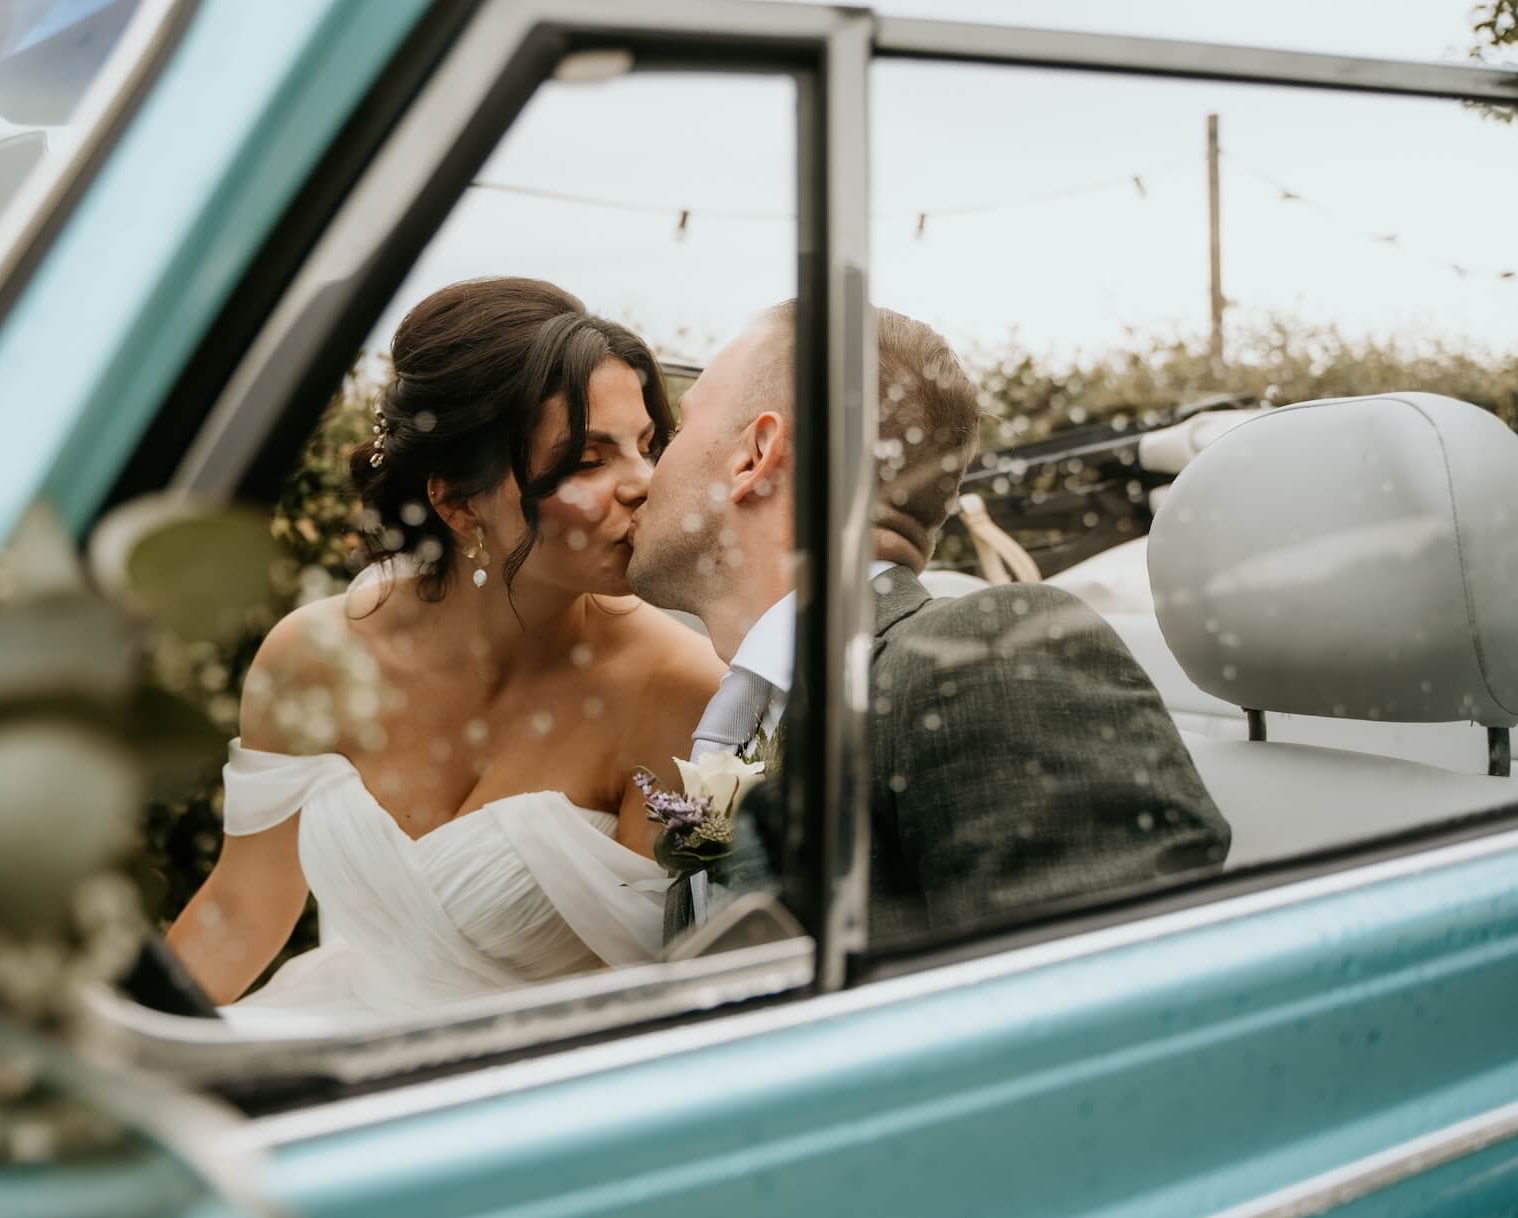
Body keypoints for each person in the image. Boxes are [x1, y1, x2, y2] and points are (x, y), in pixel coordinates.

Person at [165, 278, 723, 1024]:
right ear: (457, 503)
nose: (645, 485)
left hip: (540, 1075)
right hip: (312, 1032)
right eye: (589, 460)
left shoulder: (686, 696)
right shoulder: (312, 656)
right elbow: (242, 907)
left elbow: (643, 999)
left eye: (648, 447)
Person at [627, 301, 1231, 942]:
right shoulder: (751, 716)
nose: (644, 478)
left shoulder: (989, 654)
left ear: (754, 455)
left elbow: (1106, 985)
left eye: (674, 433)